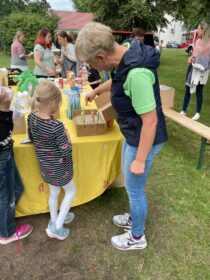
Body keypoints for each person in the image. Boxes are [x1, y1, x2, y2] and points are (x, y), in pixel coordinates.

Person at [75, 22, 167, 250]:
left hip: (143, 137)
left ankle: (137, 237)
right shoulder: (124, 52)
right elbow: (117, 80)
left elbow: (151, 121)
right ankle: (134, 218)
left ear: (100, 58)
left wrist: (139, 159)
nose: (90, 67)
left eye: (90, 63)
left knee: (135, 189)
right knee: (132, 186)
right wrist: (96, 90)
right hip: (133, 132)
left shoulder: (137, 75)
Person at [28, 81, 76, 240]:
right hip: (60, 168)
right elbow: (66, 150)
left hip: (45, 166)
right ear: (54, 102)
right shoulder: (56, 126)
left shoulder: (31, 118)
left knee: (54, 192)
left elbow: (32, 137)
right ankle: (57, 227)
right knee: (70, 191)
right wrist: (67, 137)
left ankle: (54, 219)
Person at [0, 87, 33, 245]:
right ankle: (7, 233)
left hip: (5, 154)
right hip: (2, 156)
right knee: (7, 196)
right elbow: (4, 135)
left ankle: (3, 219)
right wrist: (5, 110)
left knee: (16, 188)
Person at [180, 21, 210, 121]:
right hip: (192, 67)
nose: (197, 30)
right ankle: (184, 110)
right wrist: (190, 58)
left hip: (202, 70)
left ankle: (197, 113)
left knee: (199, 91)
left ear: (203, 30)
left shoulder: (209, 43)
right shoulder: (197, 40)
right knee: (187, 88)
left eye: (198, 28)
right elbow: (194, 54)